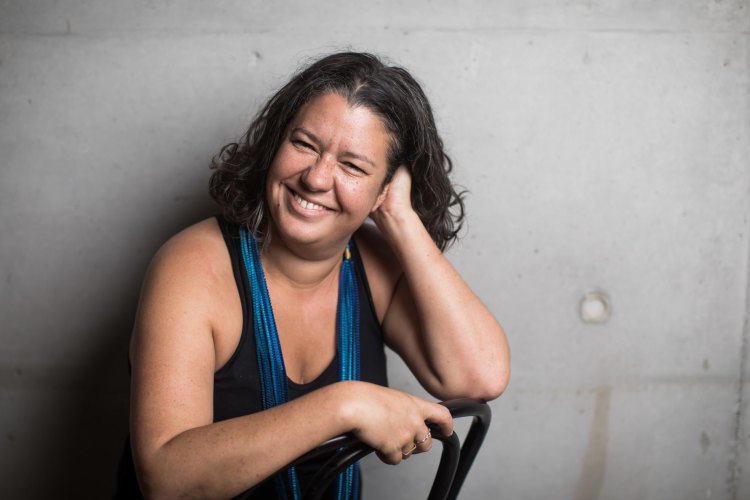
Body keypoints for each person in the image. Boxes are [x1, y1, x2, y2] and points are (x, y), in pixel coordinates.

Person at [115, 51, 509, 499]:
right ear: (275, 143)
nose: (317, 178)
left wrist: (400, 217)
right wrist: (343, 405)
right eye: (304, 144)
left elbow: (481, 377)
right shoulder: (192, 267)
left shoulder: (373, 264)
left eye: (353, 166)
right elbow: (166, 480)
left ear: (385, 188)